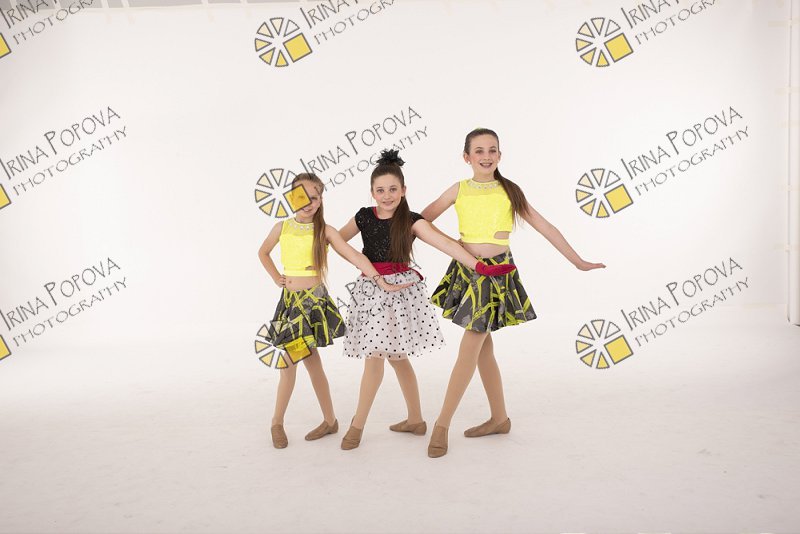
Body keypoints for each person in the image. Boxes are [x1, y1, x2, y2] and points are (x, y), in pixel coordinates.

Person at [421, 128, 606, 458]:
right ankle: (499, 419)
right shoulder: (459, 189)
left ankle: (442, 424)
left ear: (500, 155)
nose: (486, 156)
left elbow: (545, 226)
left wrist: (577, 261)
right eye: (479, 151)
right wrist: (451, 245)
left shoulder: (510, 190)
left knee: (471, 347)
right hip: (469, 271)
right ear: (466, 157)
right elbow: (420, 221)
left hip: (497, 274)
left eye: (492, 150)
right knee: (482, 348)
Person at [336, 149, 515, 450]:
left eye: (393, 189)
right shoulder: (363, 216)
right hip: (371, 291)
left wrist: (480, 266)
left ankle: (357, 426)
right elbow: (336, 240)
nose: (387, 195)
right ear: (372, 193)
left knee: (382, 357)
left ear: (404, 191)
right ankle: (416, 420)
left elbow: (445, 244)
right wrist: (359, 262)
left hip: (399, 293)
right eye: (380, 190)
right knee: (392, 357)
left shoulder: (411, 221)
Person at [257, 172, 412, 449]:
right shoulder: (282, 227)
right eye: (301, 197)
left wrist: (379, 279)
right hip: (291, 305)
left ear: (320, 200)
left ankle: (324, 421)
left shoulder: (325, 231)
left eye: (313, 197)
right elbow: (263, 252)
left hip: (313, 304)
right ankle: (282, 422)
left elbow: (354, 255)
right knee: (295, 364)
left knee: (304, 364)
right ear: (291, 197)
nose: (308, 203)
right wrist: (275, 277)